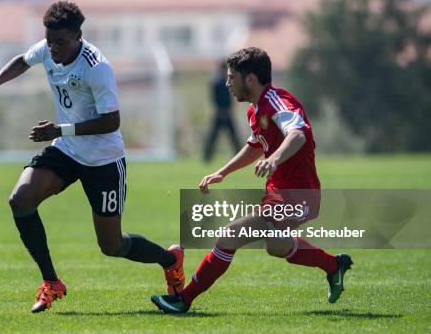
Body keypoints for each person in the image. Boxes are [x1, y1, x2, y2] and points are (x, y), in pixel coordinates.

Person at [0, 1, 184, 313]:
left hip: (104, 159)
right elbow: (22, 61)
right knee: (20, 199)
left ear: (78, 35)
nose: (53, 49)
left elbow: (112, 121)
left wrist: (60, 130)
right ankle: (51, 282)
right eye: (49, 41)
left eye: (60, 42)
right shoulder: (50, 46)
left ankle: (170, 260)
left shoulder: (97, 68)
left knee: (112, 246)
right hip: (67, 151)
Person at [151, 47, 353, 313]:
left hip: (299, 194)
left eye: (231, 77)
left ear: (250, 79)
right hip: (278, 192)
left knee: (228, 237)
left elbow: (298, 134)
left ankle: (183, 299)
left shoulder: (277, 101)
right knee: (277, 245)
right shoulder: (255, 110)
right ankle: (333, 265)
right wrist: (223, 171)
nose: (227, 83)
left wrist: (274, 159)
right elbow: (256, 146)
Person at [203, 61, 240, 162]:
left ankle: (239, 156)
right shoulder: (216, 83)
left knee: (233, 137)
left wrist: (228, 110)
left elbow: (231, 98)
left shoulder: (228, 83)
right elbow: (214, 98)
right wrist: (220, 110)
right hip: (219, 113)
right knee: (213, 137)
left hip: (227, 113)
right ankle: (206, 156)